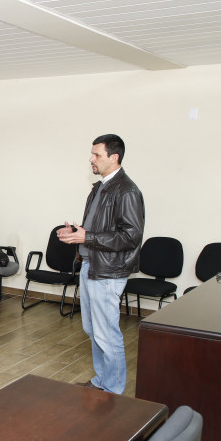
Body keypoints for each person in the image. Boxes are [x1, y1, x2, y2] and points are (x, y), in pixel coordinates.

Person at [57, 134, 144, 395]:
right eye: (92, 154)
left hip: (108, 271)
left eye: (97, 154)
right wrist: (77, 233)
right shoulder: (99, 188)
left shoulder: (127, 190)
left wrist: (88, 237)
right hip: (90, 265)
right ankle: (102, 381)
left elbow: (131, 236)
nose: (91, 159)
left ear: (114, 157)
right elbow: (98, 229)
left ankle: (114, 390)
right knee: (93, 329)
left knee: (107, 333)